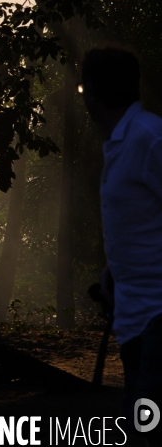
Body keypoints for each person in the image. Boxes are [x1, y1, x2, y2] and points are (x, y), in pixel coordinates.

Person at [80, 46, 162, 446]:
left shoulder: (149, 139)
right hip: (135, 315)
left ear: (91, 93)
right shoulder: (124, 142)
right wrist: (116, 268)